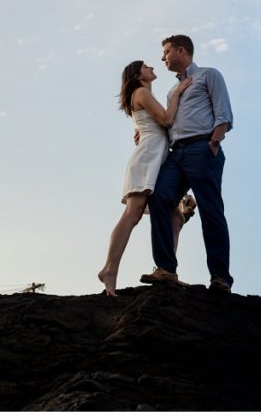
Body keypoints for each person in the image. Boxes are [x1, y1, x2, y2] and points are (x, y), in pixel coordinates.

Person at [140, 34, 235, 292]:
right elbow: (167, 121)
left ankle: (220, 277)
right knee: (158, 198)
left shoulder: (209, 75)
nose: (162, 58)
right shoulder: (173, 90)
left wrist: (214, 142)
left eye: (166, 52)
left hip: (202, 148)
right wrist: (143, 129)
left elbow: (223, 112)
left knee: (210, 210)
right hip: (176, 153)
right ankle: (166, 269)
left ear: (181, 51)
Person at [98, 60, 194, 296]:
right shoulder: (140, 92)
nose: (152, 67)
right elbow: (166, 120)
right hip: (146, 159)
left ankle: (167, 271)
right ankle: (109, 270)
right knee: (133, 214)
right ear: (138, 75)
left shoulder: (142, 93)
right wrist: (177, 94)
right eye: (146, 66)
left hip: (156, 157)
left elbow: (157, 125)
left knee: (175, 217)